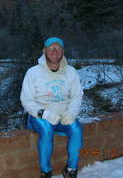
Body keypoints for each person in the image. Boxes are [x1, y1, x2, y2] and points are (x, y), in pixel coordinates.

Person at [20, 37, 84, 178]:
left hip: (63, 115)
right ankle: (46, 171)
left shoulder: (71, 71)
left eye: (58, 48)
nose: (55, 51)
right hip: (40, 116)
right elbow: (26, 99)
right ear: (44, 51)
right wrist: (45, 114)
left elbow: (77, 95)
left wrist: (71, 113)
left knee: (76, 130)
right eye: (51, 48)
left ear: (63, 51)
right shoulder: (33, 72)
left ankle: (71, 169)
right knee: (47, 130)